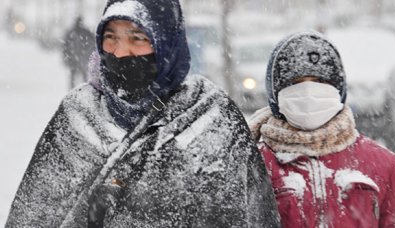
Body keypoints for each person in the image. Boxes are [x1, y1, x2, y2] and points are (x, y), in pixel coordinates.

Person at [6, 0, 280, 227]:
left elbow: (250, 214)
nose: (121, 52)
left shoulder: (213, 116)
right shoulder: (77, 113)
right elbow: (35, 213)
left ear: (166, 41)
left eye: (138, 38)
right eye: (111, 38)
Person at [248, 31, 395, 227]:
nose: (308, 92)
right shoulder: (254, 164)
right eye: (295, 83)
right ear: (275, 93)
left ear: (338, 89)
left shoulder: (382, 164)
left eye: (320, 82)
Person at [62, 16, 96, 89]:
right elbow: (93, 42)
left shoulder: (72, 32)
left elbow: (65, 46)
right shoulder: (85, 32)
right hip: (80, 57)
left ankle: (74, 90)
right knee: (81, 75)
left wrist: (66, 56)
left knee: (75, 76)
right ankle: (85, 89)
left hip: (75, 57)